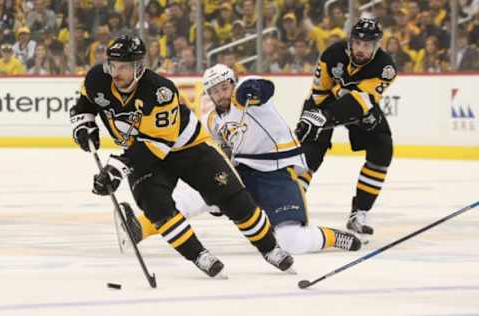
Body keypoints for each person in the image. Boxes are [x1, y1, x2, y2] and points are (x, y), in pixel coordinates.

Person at [69, 35, 294, 278]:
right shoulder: (97, 78)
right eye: (112, 65)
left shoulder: (160, 91)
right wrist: (84, 124)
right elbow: (85, 104)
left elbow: (156, 145)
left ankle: (270, 248)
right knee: (156, 207)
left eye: (123, 66)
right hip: (143, 155)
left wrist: (116, 168)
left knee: (233, 198)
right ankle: (199, 255)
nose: (115, 72)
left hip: (187, 149)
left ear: (138, 67)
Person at [125, 64, 362, 254]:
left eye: (224, 87)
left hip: (277, 174)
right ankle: (139, 227)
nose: (221, 94)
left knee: (291, 242)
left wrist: (255, 89)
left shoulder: (245, 96)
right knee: (195, 194)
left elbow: (263, 87)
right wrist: (218, 196)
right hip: (243, 171)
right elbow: (225, 153)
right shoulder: (212, 121)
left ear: (233, 83)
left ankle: (332, 237)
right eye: (214, 91)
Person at [295, 18, 397, 235]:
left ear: (376, 46)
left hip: (358, 105)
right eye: (358, 43)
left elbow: (360, 101)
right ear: (351, 41)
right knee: (309, 153)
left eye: (367, 45)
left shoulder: (385, 67)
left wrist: (328, 118)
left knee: (382, 147)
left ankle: (359, 212)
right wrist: (318, 120)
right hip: (324, 103)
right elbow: (320, 93)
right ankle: (289, 210)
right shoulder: (331, 54)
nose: (361, 49)